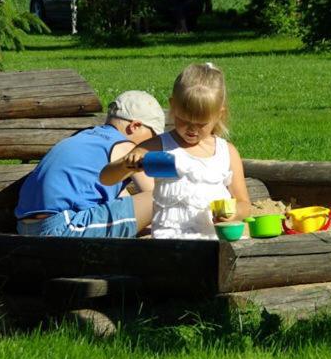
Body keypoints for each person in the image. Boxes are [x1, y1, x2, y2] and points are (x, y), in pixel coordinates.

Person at [100, 62, 251, 239]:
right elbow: (106, 178)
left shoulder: (226, 152)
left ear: (219, 114)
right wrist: (126, 165)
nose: (192, 130)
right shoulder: (158, 146)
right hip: (170, 244)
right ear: (172, 106)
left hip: (214, 244)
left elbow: (245, 204)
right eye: (183, 120)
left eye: (201, 124)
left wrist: (235, 213)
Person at [14, 90, 166, 237]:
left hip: (26, 227)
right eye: (152, 138)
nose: (150, 146)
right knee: (166, 195)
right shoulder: (125, 146)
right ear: (135, 126)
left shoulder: (87, 137)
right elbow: (155, 193)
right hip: (64, 226)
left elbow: (121, 201)